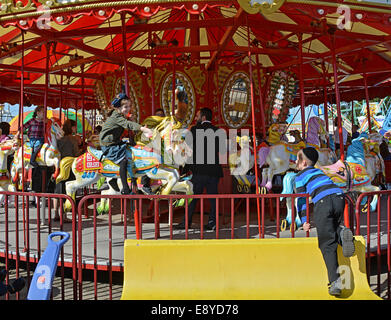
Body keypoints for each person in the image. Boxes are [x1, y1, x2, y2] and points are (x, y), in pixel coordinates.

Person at [294, 147, 355, 296]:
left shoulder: (300, 176)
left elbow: (302, 199)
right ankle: (342, 233)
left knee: (327, 243)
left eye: (297, 159)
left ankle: (335, 283)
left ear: (303, 162)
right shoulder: (319, 171)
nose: (295, 161)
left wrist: (304, 220)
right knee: (332, 228)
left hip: (323, 202)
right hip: (339, 197)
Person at [175, 107, 224, 230]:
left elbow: (188, 150)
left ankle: (186, 223)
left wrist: (185, 169)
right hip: (214, 171)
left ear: (203, 117)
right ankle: (213, 223)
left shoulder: (194, 130)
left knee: (192, 198)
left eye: (197, 116)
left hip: (199, 171)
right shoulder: (218, 131)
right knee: (213, 199)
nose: (196, 118)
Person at [99, 93, 153, 195]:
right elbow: (127, 125)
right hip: (108, 145)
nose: (128, 109)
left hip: (115, 142)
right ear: (118, 107)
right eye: (125, 107)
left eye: (129, 106)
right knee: (123, 160)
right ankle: (125, 188)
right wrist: (143, 129)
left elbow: (128, 124)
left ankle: (131, 182)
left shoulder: (120, 116)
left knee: (131, 151)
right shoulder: (116, 116)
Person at [53, 119, 80, 222]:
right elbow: (76, 153)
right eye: (75, 126)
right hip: (70, 165)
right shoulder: (73, 139)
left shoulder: (59, 138)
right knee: (68, 190)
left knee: (58, 190)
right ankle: (64, 215)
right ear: (72, 127)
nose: (76, 129)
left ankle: (56, 213)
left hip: (59, 165)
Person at [140, 108, 166, 195]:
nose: (160, 117)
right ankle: (145, 184)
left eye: (161, 115)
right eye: (158, 115)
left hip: (161, 149)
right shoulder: (150, 126)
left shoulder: (164, 126)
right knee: (149, 161)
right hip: (150, 149)